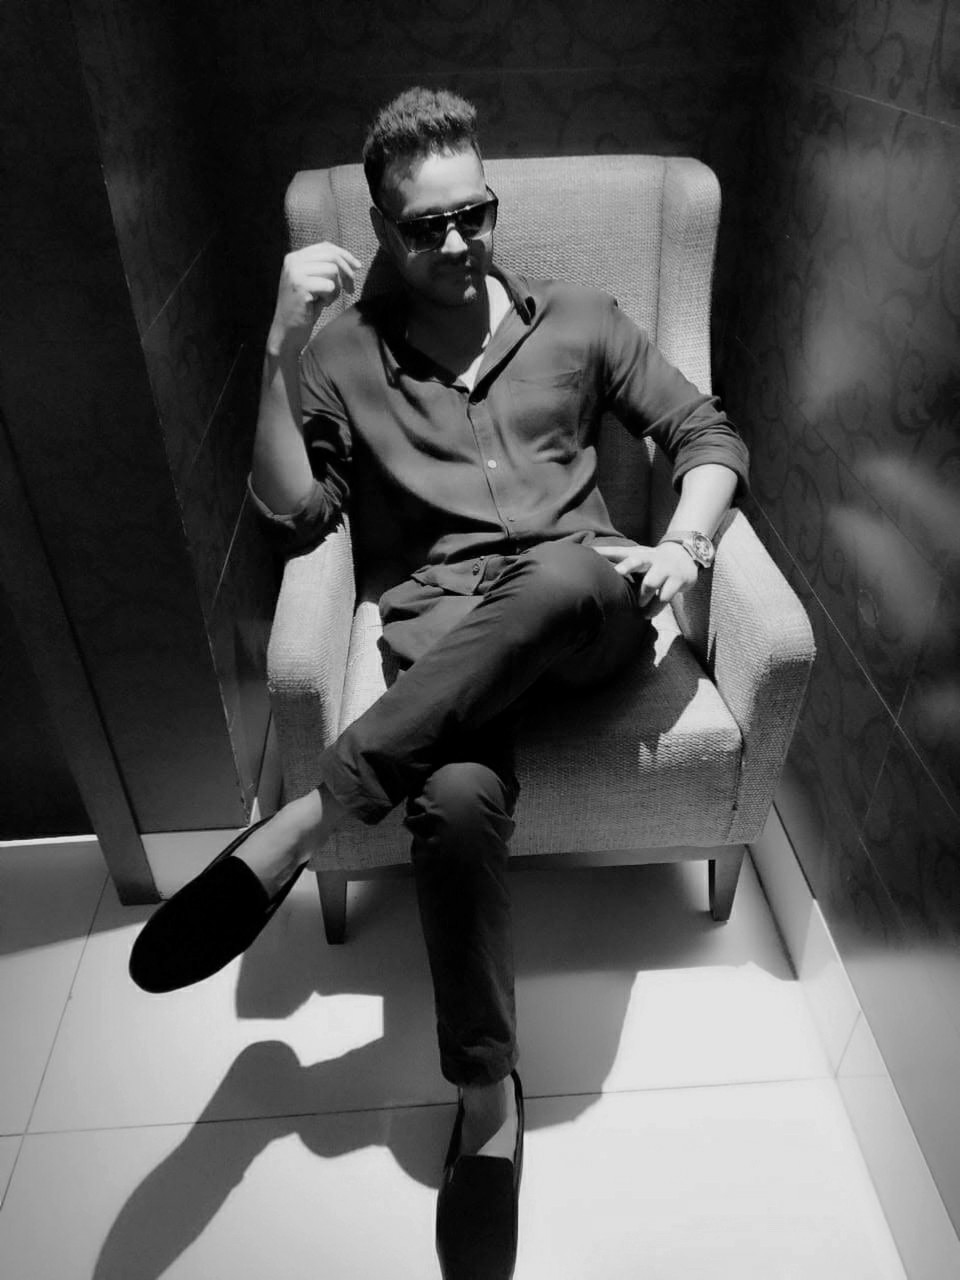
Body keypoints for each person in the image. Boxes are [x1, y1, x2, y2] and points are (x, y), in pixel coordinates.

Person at [130, 87, 749, 1279]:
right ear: (379, 225)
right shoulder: (343, 352)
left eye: (478, 213)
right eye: (428, 226)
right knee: (454, 802)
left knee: (561, 573)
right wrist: (277, 348)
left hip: (585, 610)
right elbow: (296, 511)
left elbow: (706, 433)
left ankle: (309, 813)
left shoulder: (579, 317)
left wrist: (686, 544)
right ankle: (485, 1097)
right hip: (447, 646)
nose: (461, 242)